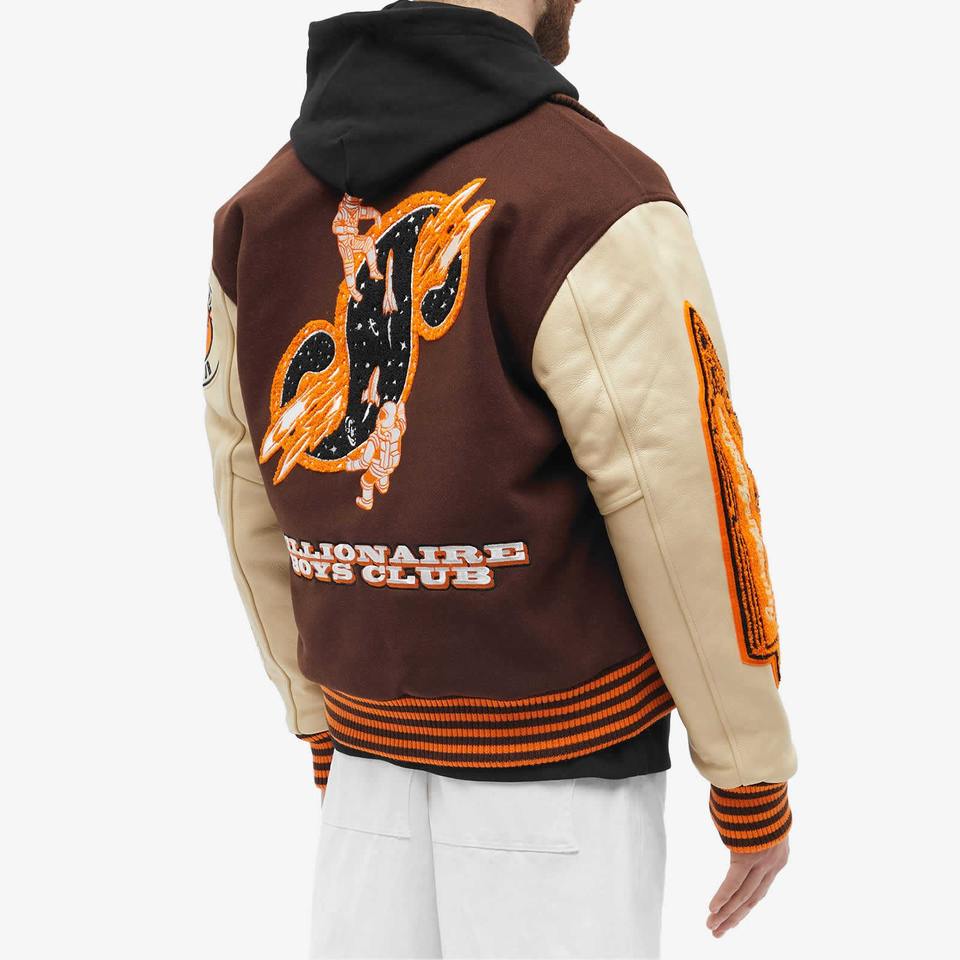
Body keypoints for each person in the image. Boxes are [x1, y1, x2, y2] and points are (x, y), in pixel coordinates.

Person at [203, 1, 797, 956]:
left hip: (364, 768)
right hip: (561, 774)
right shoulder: (590, 192)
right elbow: (680, 493)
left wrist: (317, 717)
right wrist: (748, 768)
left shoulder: (259, 211)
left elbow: (245, 481)